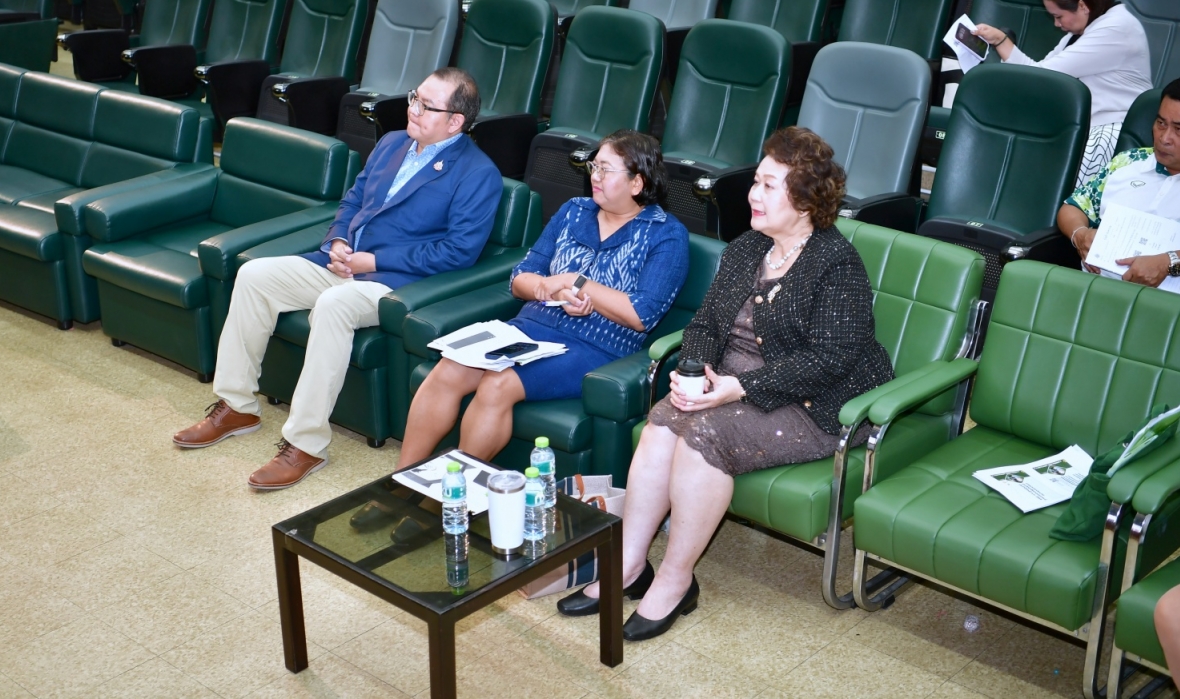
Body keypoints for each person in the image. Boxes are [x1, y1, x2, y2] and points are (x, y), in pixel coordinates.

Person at [555, 126, 894, 640]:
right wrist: (695, 372)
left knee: (702, 435)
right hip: (734, 381)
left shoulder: (836, 264)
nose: (753, 194)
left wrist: (739, 388)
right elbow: (706, 327)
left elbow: (831, 359)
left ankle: (676, 579)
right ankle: (629, 564)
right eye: (756, 181)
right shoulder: (747, 247)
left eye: (769, 186)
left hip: (814, 401)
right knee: (662, 421)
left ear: (805, 201)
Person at [172, 68, 504, 490]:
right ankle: (236, 406)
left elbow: (458, 252)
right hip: (342, 263)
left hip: (395, 282)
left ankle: (306, 444)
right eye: (414, 98)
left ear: (455, 121)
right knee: (254, 274)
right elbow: (352, 200)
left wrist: (371, 260)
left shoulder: (478, 174)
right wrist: (339, 241)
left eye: (426, 106)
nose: (413, 110)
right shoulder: (392, 142)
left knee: (333, 305)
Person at [394, 131, 690, 469]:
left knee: (497, 384)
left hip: (596, 347)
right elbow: (520, 278)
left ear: (637, 183)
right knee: (450, 366)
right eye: (594, 166)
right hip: (531, 327)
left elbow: (642, 314)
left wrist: (576, 282)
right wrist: (550, 289)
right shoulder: (574, 211)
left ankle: (457, 492)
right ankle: (402, 481)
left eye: (606, 170)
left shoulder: (666, 234)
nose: (594, 176)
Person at [974, 0, 1153, 186]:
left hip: (1114, 130)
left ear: (1082, 6)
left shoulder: (1116, 28)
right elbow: (1038, 73)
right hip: (1087, 127)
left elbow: (1043, 77)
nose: (1057, 24)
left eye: (1059, 16)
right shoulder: (1084, 30)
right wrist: (1000, 41)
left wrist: (1003, 42)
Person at [1058, 78, 1180, 288]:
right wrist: (1080, 234)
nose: (1164, 138)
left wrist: (1170, 262)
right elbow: (1072, 208)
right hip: (1091, 289)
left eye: (1179, 130)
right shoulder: (1128, 161)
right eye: (1161, 123)